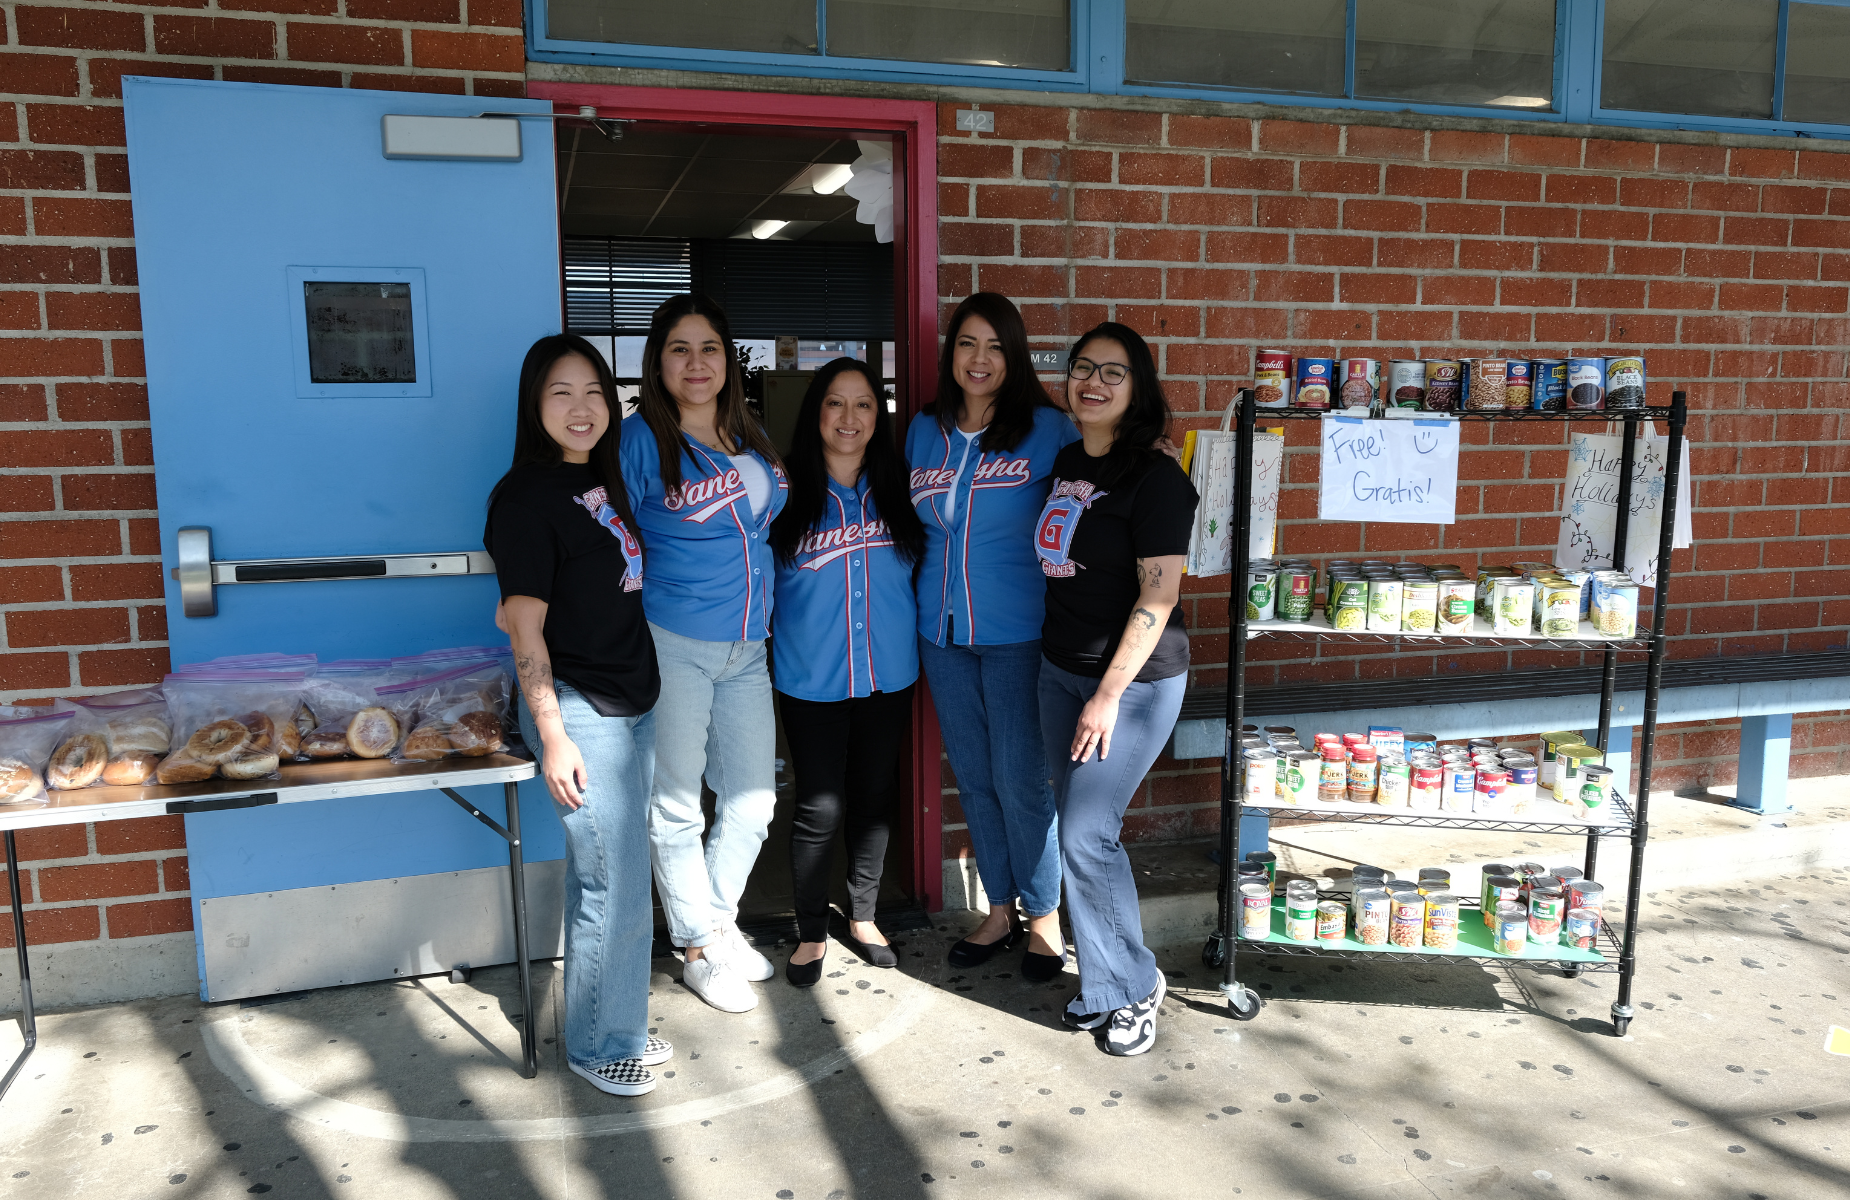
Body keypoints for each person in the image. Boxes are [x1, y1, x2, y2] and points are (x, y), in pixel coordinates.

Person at [486, 334, 669, 1095]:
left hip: (632, 700)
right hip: (579, 710)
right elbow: (523, 626)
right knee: (614, 883)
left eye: (594, 390)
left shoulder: (600, 481)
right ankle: (598, 1044)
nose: (581, 407)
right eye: (561, 392)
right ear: (536, 404)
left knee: (613, 874)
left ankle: (613, 1017)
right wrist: (552, 730)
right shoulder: (524, 497)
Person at [620, 294, 787, 1014]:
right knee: (678, 805)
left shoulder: (747, 434)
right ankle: (696, 948)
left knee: (753, 803)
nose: (696, 363)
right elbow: (613, 538)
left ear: (729, 359)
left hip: (749, 647)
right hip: (674, 642)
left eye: (709, 348)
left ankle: (713, 922)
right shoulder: (638, 440)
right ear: (659, 362)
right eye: (680, 349)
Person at [1034, 322, 1198, 1057]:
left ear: (1139, 389)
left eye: (1114, 372)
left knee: (1086, 833)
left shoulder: (1157, 479)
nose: (1093, 381)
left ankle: (1132, 988)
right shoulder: (1069, 458)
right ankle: (1105, 981)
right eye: (1082, 368)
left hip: (1129, 684)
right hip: (1058, 671)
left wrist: (1105, 694)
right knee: (1077, 831)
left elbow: (1157, 597)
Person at [906, 292, 1080, 979]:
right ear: (951, 354)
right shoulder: (925, 430)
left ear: (1013, 357)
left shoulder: (1049, 429)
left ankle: (1045, 917)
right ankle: (1000, 908)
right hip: (939, 631)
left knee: (1021, 781)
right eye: (967, 345)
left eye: (995, 347)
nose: (979, 360)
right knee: (975, 779)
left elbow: (1092, 496)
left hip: (1019, 632)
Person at [769, 357, 927, 985]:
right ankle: (811, 931)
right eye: (836, 403)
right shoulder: (781, 495)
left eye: (865, 404)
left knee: (874, 798)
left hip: (888, 673)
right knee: (818, 806)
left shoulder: (901, 490)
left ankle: (862, 915)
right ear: (816, 413)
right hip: (811, 678)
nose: (850, 417)